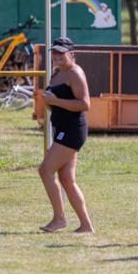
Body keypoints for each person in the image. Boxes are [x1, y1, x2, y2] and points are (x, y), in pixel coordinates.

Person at [38, 37, 94, 233]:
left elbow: (85, 104)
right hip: (61, 129)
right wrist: (47, 106)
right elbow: (56, 102)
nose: (57, 56)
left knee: (45, 170)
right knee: (67, 180)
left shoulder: (75, 73)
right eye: (54, 52)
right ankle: (86, 225)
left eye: (61, 53)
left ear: (71, 54)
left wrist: (55, 101)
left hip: (72, 130)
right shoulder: (56, 73)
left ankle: (59, 219)